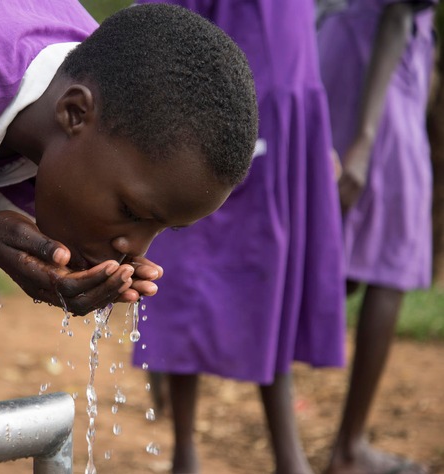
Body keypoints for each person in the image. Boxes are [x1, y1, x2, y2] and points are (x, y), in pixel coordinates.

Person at [0, 1, 259, 419]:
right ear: (74, 113)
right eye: (131, 210)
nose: (132, 247)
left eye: (165, 229)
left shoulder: (117, 85)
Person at [131, 1, 346, 473]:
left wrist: (313, 139)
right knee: (188, 262)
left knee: (273, 269)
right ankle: (184, 449)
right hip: (216, 102)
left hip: (289, 104)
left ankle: (287, 454)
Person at [318, 1, 438, 473]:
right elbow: (398, 11)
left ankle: (182, 366)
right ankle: (349, 447)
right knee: (393, 260)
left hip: (341, 59)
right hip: (382, 82)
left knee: (339, 250)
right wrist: (366, 139)